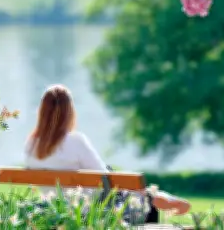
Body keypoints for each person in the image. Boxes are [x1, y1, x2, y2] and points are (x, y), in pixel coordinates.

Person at [24, 84, 191, 223]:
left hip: (56, 210)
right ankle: (157, 197)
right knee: (141, 199)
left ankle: (156, 196)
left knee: (135, 192)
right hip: (92, 210)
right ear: (69, 112)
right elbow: (106, 177)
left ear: (42, 111)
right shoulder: (75, 140)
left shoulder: (31, 144)